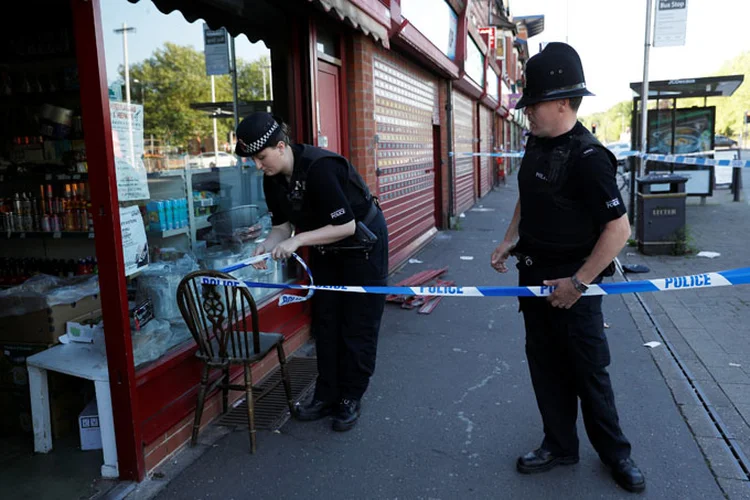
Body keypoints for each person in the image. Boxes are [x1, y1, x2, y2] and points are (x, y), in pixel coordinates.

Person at [489, 43, 645, 493]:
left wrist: (577, 284)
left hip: (575, 287)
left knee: (589, 373)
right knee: (546, 369)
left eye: (533, 104)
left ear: (563, 102)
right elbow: (529, 193)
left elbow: (619, 230)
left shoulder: (589, 159)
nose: (527, 112)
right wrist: (509, 239)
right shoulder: (537, 143)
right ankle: (559, 445)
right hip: (533, 283)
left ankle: (617, 455)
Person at [234, 112, 388, 432]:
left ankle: (350, 397)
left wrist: (298, 240)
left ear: (280, 146)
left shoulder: (320, 168)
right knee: (326, 321)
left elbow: (345, 225)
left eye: (261, 158)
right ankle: (326, 394)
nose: (258, 166)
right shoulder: (272, 179)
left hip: (362, 247)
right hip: (326, 248)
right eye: (253, 160)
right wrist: (266, 245)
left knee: (357, 324)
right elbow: (281, 226)